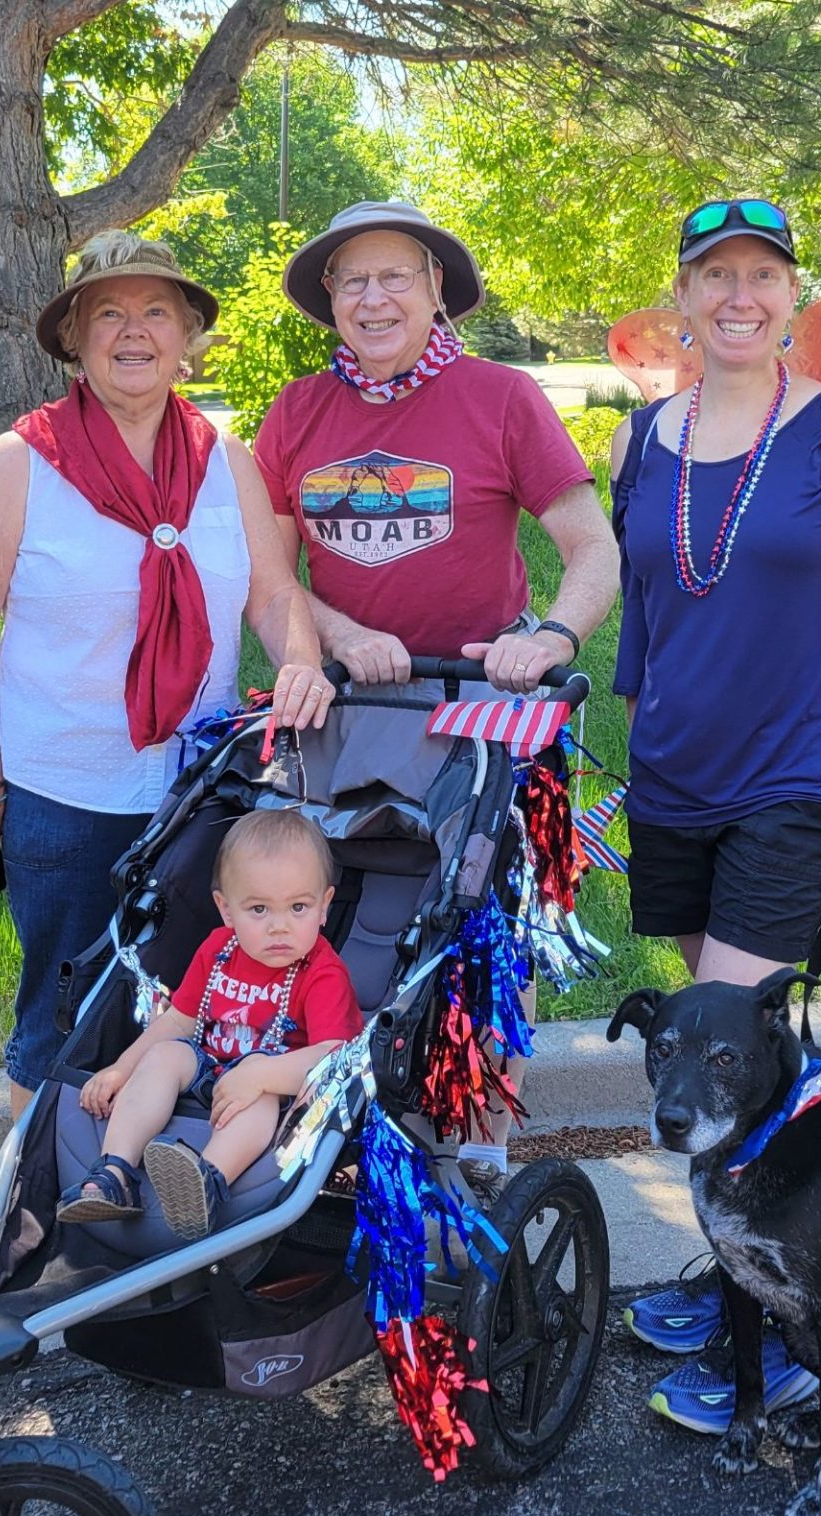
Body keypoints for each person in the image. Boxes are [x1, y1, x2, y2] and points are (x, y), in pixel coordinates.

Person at [609, 197, 821, 1432]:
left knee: (728, 1063)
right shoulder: (642, 440)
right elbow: (644, 622)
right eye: (715, 274)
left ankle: (789, 1337)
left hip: (793, 788)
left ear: (792, 296)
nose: (739, 295)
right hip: (672, 789)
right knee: (725, 1065)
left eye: (763, 275)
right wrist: (631, 763)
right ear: (682, 297)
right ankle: (742, 1276)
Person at [0, 230, 338, 1119]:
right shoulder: (19, 463)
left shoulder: (226, 461)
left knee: (188, 1017)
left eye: (157, 310)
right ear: (74, 338)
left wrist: (301, 660)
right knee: (62, 1024)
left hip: (198, 801)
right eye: (108, 312)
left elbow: (273, 593)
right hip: (64, 798)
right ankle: (33, 1194)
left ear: (186, 337)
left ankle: (139, 1184)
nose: (134, 330)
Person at [254, 199, 620, 1190]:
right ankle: (334, 1112)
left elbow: (593, 548)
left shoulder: (502, 399)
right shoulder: (295, 414)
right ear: (331, 299)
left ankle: (484, 1145)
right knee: (337, 913)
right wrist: (339, 636)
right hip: (348, 709)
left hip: (482, 706)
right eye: (353, 280)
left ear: (435, 290)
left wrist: (548, 638)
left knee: (490, 922)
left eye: (394, 277)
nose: (373, 299)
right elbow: (269, 580)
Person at [57, 810, 363, 1241]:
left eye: (299, 907)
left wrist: (260, 1076)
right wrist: (122, 1069)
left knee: (259, 1095)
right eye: (259, 909)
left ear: (324, 906)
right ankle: (115, 1172)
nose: (279, 926)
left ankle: (206, 1183)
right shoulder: (219, 949)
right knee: (166, 1054)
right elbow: (179, 1020)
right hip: (209, 1065)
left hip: (275, 1089)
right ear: (226, 909)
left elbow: (335, 1055)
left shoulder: (322, 972)